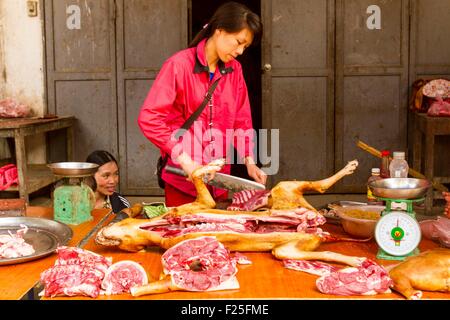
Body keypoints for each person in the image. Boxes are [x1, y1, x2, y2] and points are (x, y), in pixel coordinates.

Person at [138, 1, 266, 207]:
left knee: (217, 236)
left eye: (246, 46)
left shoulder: (235, 71)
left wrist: (250, 162)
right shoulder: (178, 65)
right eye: (238, 41)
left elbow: (242, 121)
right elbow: (149, 118)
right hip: (183, 180)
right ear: (219, 30)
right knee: (182, 237)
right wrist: (184, 160)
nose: (241, 51)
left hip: (219, 181)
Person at [86, 150, 136, 217]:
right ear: (90, 176)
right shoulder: (73, 202)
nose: (113, 181)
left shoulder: (120, 203)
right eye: (106, 176)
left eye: (116, 174)